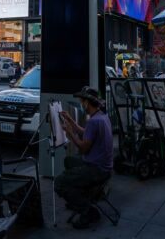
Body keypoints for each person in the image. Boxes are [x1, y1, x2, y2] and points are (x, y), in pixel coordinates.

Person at [56, 87, 115, 229]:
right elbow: (86, 133)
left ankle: (88, 211)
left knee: (59, 183)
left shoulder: (94, 122)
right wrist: (71, 121)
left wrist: (70, 133)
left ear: (87, 103)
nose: (81, 104)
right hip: (104, 166)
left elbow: (83, 148)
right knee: (69, 161)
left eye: (82, 101)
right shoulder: (101, 116)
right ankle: (80, 197)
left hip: (97, 169)